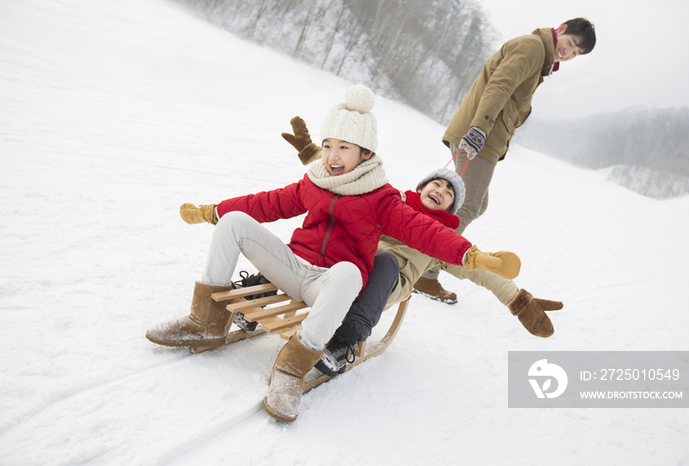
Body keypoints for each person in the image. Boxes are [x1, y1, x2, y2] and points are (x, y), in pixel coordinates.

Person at [145, 84, 521, 423]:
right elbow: (269, 203)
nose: (332, 155)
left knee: (351, 273)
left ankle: (292, 368)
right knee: (236, 222)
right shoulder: (315, 180)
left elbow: (425, 231)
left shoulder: (383, 198)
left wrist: (471, 256)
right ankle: (206, 322)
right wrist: (214, 211)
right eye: (328, 145)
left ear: (365, 152)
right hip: (293, 266)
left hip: (327, 284)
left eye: (343, 147)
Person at [282, 119, 564, 376]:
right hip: (351, 262)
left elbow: (478, 271)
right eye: (437, 184)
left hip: (383, 283)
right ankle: (269, 283)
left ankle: (344, 341)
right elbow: (347, 183)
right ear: (420, 189)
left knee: (388, 261)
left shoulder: (441, 240)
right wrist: (310, 152)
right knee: (328, 234)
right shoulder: (392, 204)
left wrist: (520, 301)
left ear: (450, 208)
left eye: (449, 193)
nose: (441, 190)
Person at [413, 17, 597, 303]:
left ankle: (422, 253)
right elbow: (499, 86)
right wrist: (479, 129)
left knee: (476, 204)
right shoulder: (533, 48)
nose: (568, 54)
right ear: (560, 30)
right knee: (468, 205)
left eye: (575, 54)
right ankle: (422, 271)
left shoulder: (540, 57)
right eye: (570, 44)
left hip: (485, 138)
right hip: (480, 136)